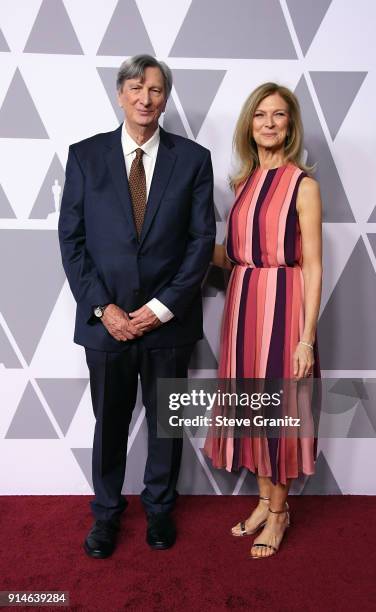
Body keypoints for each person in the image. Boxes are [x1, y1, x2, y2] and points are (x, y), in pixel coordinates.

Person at [58, 54, 216, 558]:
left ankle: (160, 510)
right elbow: (72, 241)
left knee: (166, 422)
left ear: (165, 98)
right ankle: (105, 515)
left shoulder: (192, 159)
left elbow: (200, 241)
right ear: (120, 94)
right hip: (107, 325)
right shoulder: (85, 156)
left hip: (168, 325)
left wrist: (161, 308)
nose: (145, 98)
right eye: (135, 88)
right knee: (109, 423)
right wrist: (105, 309)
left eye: (155, 89)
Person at [204, 82, 322, 559]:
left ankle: (279, 512)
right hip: (243, 303)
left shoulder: (304, 185)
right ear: (248, 125)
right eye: (260, 115)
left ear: (290, 125)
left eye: (279, 115)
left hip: (284, 302)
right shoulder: (243, 183)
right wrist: (174, 248)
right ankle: (261, 500)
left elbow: (312, 264)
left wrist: (306, 339)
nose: (269, 123)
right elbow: (235, 257)